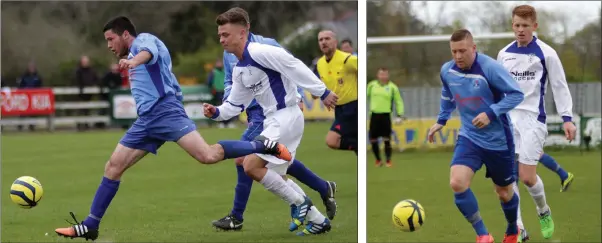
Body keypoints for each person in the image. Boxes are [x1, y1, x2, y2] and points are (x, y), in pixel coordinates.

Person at [54, 16, 291, 241]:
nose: (108, 45)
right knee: (113, 167)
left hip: (165, 111)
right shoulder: (134, 49)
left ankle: (262, 145)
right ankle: (90, 225)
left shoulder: (143, 41)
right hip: (146, 120)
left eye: (110, 39)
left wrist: (132, 61)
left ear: (125, 34)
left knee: (207, 155)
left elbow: (148, 53)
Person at [206, 8, 339, 236]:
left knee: (249, 165)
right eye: (220, 35)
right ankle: (318, 220)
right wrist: (216, 112)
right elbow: (236, 105)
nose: (221, 39)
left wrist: (322, 91)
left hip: (286, 116)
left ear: (242, 33)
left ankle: (299, 203)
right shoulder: (239, 68)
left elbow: (293, 65)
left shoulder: (260, 50)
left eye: (225, 34)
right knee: (276, 175)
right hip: (274, 121)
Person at [428, 29, 525, 243]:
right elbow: (447, 95)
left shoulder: (490, 68)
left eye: (463, 51)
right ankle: (483, 234)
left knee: (504, 192)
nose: (458, 56)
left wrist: (491, 113)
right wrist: (441, 120)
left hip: (499, 141)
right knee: (457, 182)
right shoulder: (447, 71)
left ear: (474, 48)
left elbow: (517, 94)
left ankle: (511, 229)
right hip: (469, 137)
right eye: (454, 51)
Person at [497, 5, 577, 241]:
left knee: (527, 177)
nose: (520, 30)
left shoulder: (547, 53)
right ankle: (519, 227)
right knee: (509, 177)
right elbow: (497, 87)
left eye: (525, 25)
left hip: (534, 119)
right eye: (517, 25)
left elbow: (560, 86)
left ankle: (543, 211)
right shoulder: (503, 54)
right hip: (508, 119)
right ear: (512, 26)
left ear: (535, 26)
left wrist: (567, 118)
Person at [316, 30, 358, 154]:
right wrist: (322, 95)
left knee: (331, 140)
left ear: (335, 42)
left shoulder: (347, 59)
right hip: (339, 110)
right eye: (321, 40)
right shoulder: (320, 63)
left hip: (353, 107)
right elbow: (322, 84)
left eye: (327, 39)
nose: (324, 42)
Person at [367, 67, 404, 167]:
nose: (383, 76)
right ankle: (378, 160)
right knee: (373, 139)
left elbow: (398, 101)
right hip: (374, 115)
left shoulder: (392, 87)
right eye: (381, 74)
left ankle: (388, 160)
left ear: (388, 76)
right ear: (378, 75)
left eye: (385, 74)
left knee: (386, 139)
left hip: (386, 115)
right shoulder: (371, 85)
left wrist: (400, 114)